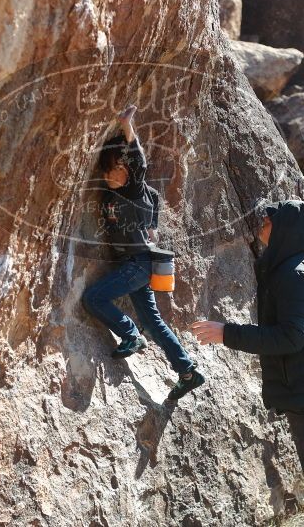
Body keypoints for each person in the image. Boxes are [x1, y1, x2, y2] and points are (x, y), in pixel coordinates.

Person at [190, 199, 304, 527]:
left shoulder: (295, 274)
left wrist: (226, 333)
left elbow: (289, 338)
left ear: (286, 229)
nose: (262, 226)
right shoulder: (298, 268)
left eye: (269, 221)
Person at [81, 104, 205, 401]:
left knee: (94, 298)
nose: (107, 176)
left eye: (111, 170)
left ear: (124, 171)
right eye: (106, 170)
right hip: (137, 265)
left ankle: (130, 335)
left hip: (137, 264)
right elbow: (151, 228)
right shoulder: (122, 194)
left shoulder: (134, 190)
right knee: (154, 322)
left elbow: (139, 164)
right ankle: (187, 371)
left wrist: (127, 126)